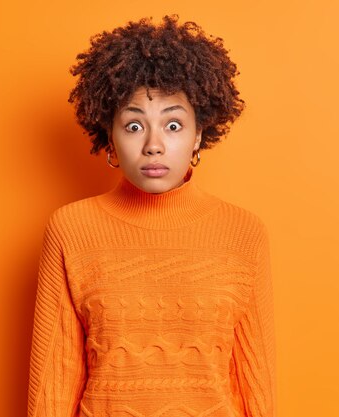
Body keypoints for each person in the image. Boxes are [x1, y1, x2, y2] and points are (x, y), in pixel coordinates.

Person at [27, 14, 276, 417]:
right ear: (110, 134)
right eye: (134, 125)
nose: (154, 145)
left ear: (198, 134)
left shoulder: (242, 233)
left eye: (173, 125)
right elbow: (53, 387)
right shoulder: (71, 230)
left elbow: (256, 384)